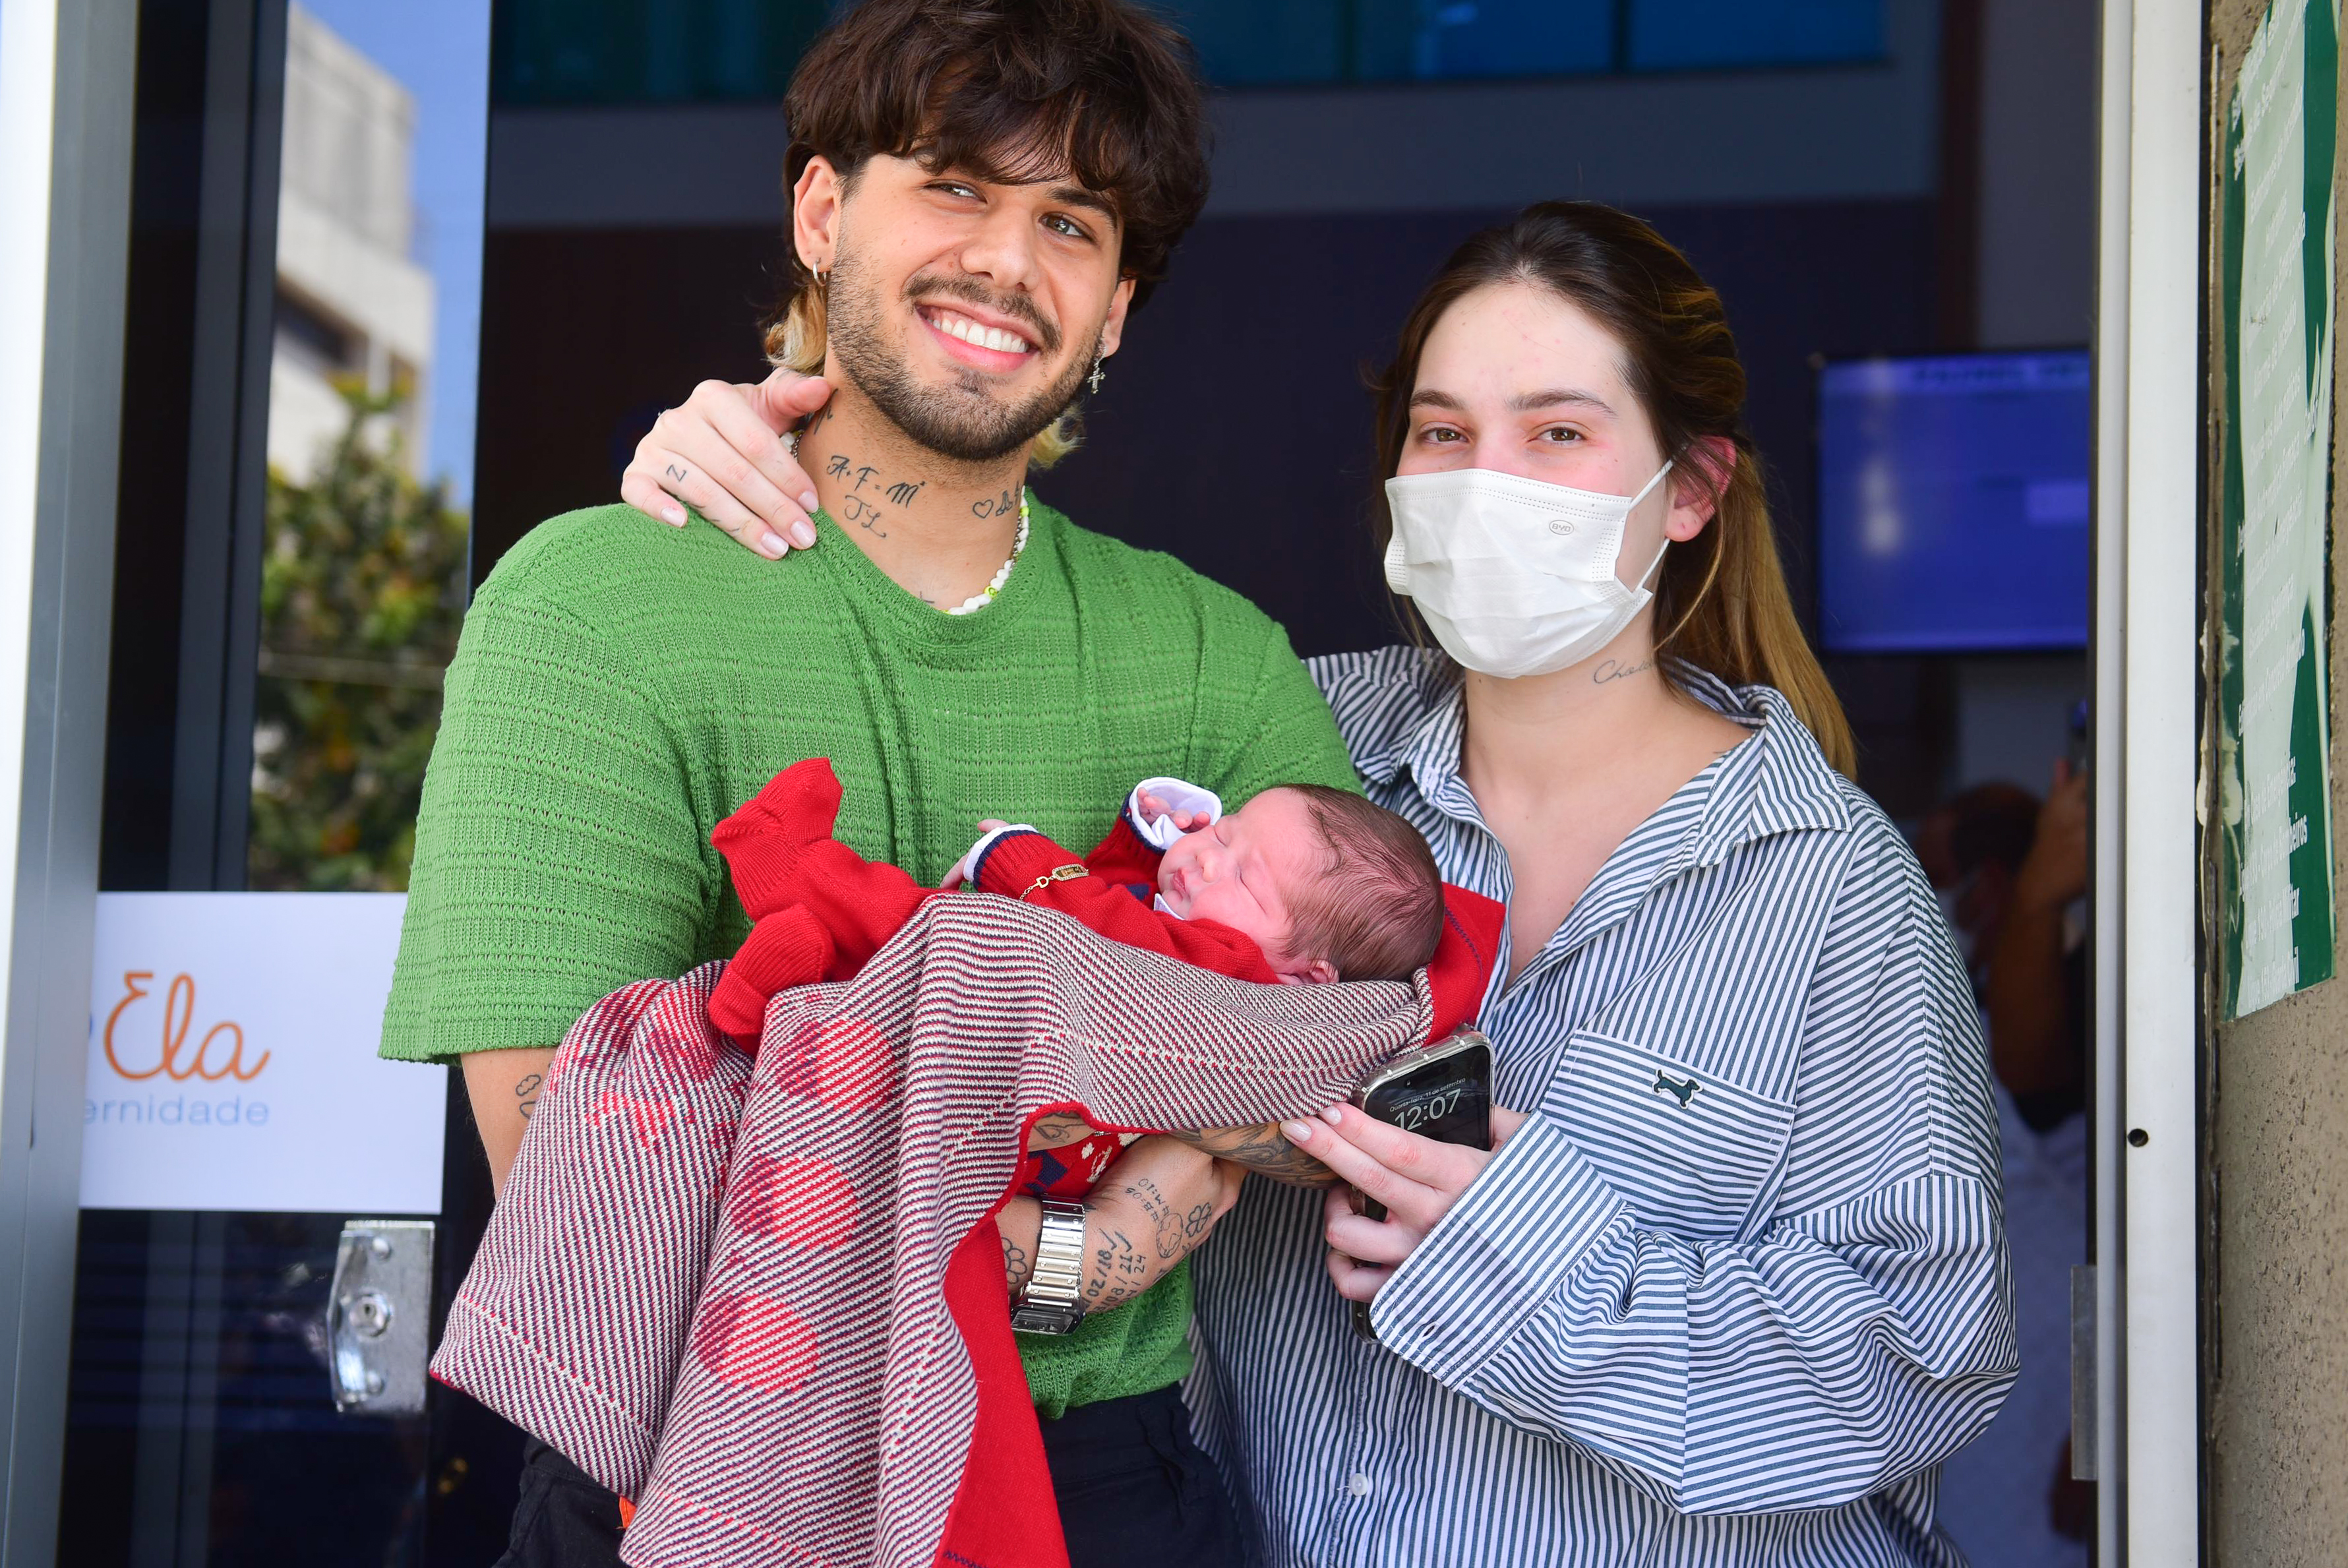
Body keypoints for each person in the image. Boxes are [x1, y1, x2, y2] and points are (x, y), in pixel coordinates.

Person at [646, 201, 2018, 1563]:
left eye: (1557, 432)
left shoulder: (1834, 892)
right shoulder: (1278, 746)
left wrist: (1529, 1258)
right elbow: (959, 729)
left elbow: (1924, 1359)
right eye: (1442, 432)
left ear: (1693, 490)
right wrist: (747, 478)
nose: (1489, 481)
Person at [378, 3, 1355, 1563]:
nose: (1006, 262)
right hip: (698, 1467)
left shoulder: (1205, 650)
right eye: (954, 187)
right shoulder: (588, 608)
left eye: (1070, 222)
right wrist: (1084, 1241)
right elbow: (581, 1171)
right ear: (822, 212)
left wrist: (1071, 1220)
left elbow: (1355, 1063)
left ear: (1113, 309)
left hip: (1106, 1488)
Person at [707, 758, 1446, 1042]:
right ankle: (761, 991)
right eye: (1223, 833)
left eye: (1243, 877)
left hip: (974, 1016)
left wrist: (1021, 858)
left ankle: (781, 860)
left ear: (1309, 974)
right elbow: (1122, 894)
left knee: (900, 918)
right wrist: (1143, 834)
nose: (1202, 861)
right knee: (878, 940)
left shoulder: (1240, 981)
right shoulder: (1206, 929)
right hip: (953, 992)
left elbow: (1115, 932)